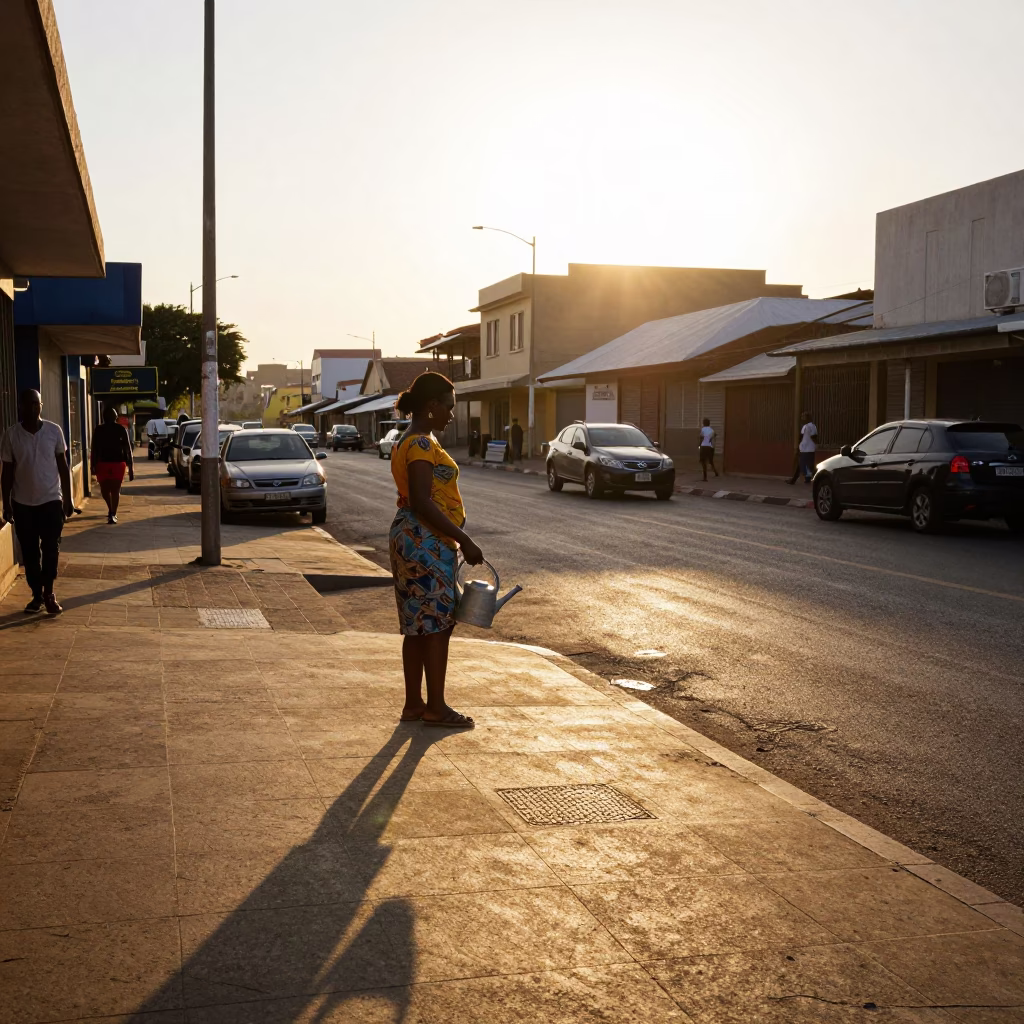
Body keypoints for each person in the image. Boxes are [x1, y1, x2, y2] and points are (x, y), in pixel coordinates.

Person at [389, 371, 484, 728]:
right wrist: (464, 539)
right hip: (424, 539)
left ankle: (415, 704)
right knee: (439, 625)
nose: (451, 414)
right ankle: (436, 707)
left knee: (418, 624)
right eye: (448, 407)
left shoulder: (407, 440)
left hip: (411, 537)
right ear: (431, 406)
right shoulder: (422, 445)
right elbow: (421, 502)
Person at [0, 389, 74, 615]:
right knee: (30, 552)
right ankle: (36, 595)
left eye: (37, 404)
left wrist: (68, 499)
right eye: (29, 403)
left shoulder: (54, 431)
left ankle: (49, 593)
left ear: (41, 406)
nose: (34, 407)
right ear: (20, 406)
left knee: (51, 548)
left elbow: (63, 467)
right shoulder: (11, 435)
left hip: (51, 500)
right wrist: (7, 503)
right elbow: (7, 473)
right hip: (23, 504)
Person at [91, 404, 134, 524]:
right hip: (102, 463)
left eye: (112, 415)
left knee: (115, 489)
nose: (109, 418)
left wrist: (131, 468)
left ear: (115, 417)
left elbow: (127, 448)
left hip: (118, 463)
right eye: (107, 416)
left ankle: (113, 513)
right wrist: (92, 465)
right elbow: (94, 448)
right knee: (104, 490)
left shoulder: (121, 429)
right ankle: (110, 509)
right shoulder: (99, 430)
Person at [788, 411, 818, 484]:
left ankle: (816, 479)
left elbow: (805, 437)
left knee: (807, 466)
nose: (802, 418)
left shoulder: (807, 426)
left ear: (807, 418)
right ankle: (800, 479)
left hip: (806, 449)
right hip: (808, 449)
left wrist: (799, 446)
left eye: (803, 417)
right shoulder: (812, 426)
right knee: (804, 465)